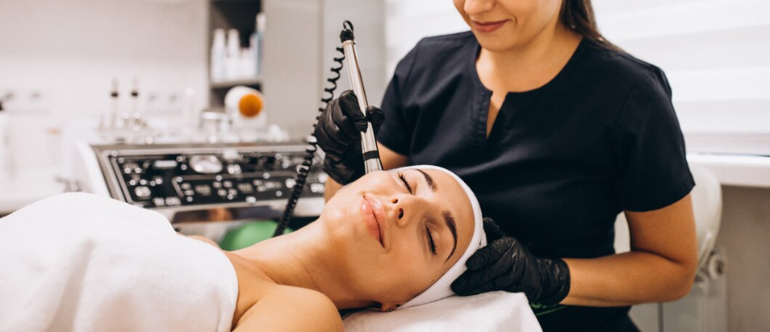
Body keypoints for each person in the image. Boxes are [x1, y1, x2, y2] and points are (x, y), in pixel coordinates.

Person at [314, 0, 698, 331]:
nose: (474, 4)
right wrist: (345, 169)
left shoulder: (629, 95)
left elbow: (673, 270)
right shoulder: (424, 67)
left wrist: (549, 278)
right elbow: (353, 230)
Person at [0, 166, 485, 332]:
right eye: (406, 181)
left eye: (430, 237)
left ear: (398, 304)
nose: (403, 205)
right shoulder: (192, 246)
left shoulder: (303, 312)